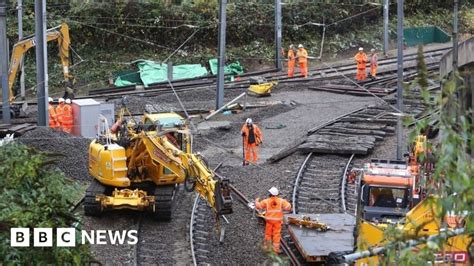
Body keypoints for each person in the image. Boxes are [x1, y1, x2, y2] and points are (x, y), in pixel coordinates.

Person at [255, 187, 292, 254]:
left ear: (270, 194)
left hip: (269, 221)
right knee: (276, 235)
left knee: (268, 234)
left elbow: (259, 206)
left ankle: (267, 248)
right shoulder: (281, 201)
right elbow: (288, 208)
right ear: (277, 194)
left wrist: (256, 201)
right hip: (277, 222)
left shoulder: (266, 201)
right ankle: (276, 250)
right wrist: (287, 202)